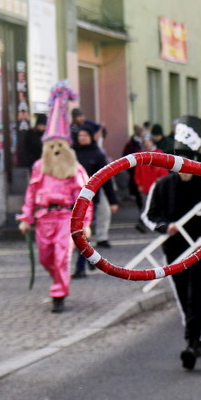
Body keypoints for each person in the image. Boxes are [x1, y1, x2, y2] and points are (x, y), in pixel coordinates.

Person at [143, 116, 201, 370]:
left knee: (196, 294)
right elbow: (150, 215)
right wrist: (167, 227)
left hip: (200, 248)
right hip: (174, 249)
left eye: (187, 158)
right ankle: (197, 336)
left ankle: (191, 343)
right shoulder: (162, 185)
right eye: (177, 157)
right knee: (182, 294)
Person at [18, 84, 92, 313]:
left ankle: (59, 294)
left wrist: (85, 224)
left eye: (61, 145)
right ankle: (57, 282)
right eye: (52, 146)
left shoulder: (74, 169)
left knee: (61, 256)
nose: (57, 149)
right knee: (46, 258)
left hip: (65, 218)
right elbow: (31, 193)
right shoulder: (40, 167)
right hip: (44, 218)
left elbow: (84, 198)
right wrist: (26, 218)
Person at [71, 128, 119, 279]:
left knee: (82, 232)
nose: (82, 137)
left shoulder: (97, 155)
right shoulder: (72, 154)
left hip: (91, 199)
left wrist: (112, 201)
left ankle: (81, 267)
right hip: (71, 198)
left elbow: (106, 179)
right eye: (80, 135)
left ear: (91, 137)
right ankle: (90, 258)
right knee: (78, 233)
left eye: (85, 135)